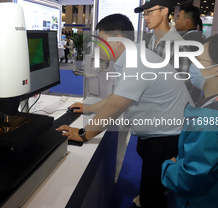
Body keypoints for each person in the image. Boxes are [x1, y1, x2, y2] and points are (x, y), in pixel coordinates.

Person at [56, 14, 192, 208]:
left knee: (151, 193)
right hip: (161, 132)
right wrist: (90, 108)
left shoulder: (136, 61)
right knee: (152, 184)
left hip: (167, 136)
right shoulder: (134, 57)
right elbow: (119, 96)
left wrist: (83, 134)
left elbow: (116, 106)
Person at [161, 34, 218, 208]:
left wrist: (169, 166)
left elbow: (191, 179)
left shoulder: (208, 122)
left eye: (199, 59)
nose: (193, 64)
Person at [135, 0, 193, 101]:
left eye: (150, 12)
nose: (146, 17)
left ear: (164, 11)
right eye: (145, 13)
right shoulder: (153, 39)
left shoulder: (178, 46)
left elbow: (183, 87)